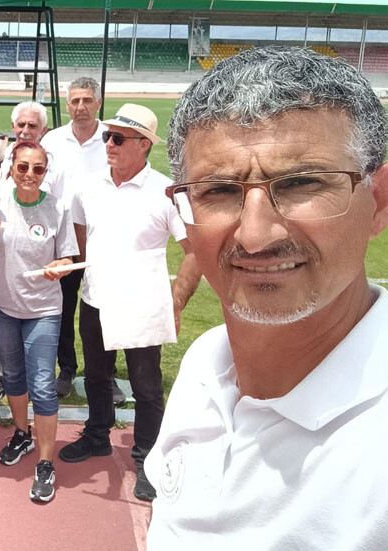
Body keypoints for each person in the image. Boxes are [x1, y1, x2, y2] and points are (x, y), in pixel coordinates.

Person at [147, 46, 388, 549]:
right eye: (218, 191)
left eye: (301, 183)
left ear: (379, 201)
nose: (255, 236)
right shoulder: (204, 364)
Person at [57, 103, 200, 502]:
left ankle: (147, 457)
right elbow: (82, 232)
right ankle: (97, 435)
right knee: (96, 376)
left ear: (144, 145)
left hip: (143, 304)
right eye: (108, 136)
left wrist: (175, 303)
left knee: (146, 386)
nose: (109, 144)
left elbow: (195, 252)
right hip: (95, 300)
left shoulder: (166, 192)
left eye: (118, 138)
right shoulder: (88, 185)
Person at [0, 141, 79, 502]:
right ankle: (22, 434)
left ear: (45, 172)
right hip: (2, 306)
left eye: (38, 168)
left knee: (42, 384)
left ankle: (45, 462)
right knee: (13, 376)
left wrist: (61, 266)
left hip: (43, 309)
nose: (29, 174)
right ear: (11, 167)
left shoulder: (57, 207)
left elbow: (68, 257)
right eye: (23, 167)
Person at [41, 77, 125, 405]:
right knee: (62, 308)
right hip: (62, 239)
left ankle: (105, 372)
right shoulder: (52, 140)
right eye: (75, 101)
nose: (80, 107)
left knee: (104, 309)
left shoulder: (112, 138)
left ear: (99, 103)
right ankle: (66, 369)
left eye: (87, 100)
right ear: (67, 104)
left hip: (101, 238)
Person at [0, 101, 68, 402]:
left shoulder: (52, 167)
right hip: (3, 269)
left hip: (38, 265)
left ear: (43, 129)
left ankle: (33, 388)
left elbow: (57, 213)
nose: (26, 130)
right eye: (21, 125)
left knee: (39, 375)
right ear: (13, 126)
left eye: (33, 125)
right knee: (3, 336)